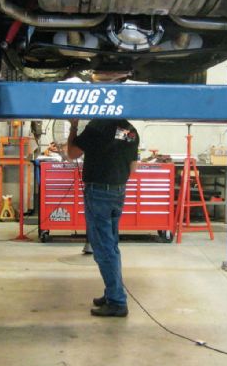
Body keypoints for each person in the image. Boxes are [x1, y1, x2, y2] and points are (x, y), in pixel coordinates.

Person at [67, 118, 139, 317]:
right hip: (118, 191)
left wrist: (73, 126)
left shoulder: (96, 127)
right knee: (111, 245)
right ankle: (111, 293)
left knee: (103, 248)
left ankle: (117, 302)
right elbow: (133, 168)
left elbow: (72, 154)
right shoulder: (130, 130)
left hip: (98, 192)